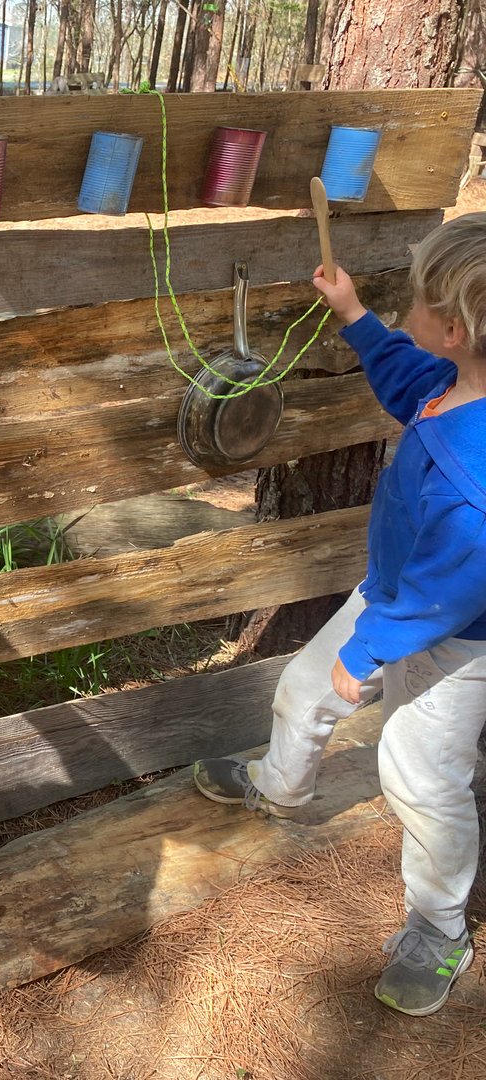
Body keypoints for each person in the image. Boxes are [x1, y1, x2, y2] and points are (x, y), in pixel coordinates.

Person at [193, 212, 486, 1018]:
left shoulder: (478, 473)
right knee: (299, 689)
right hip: (396, 594)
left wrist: (366, 655)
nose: (406, 318)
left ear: (454, 330)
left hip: (458, 639)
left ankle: (439, 927)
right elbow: (401, 372)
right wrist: (354, 313)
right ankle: (279, 789)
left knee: (420, 774)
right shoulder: (447, 383)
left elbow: (449, 590)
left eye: (414, 304)